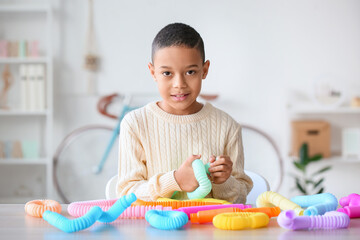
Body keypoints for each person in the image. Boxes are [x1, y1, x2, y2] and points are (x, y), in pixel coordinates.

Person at [116, 23, 253, 203]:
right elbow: (127, 194)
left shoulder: (227, 126)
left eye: (190, 71)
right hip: (153, 228)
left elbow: (240, 198)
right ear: (152, 72)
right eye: (167, 73)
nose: (179, 84)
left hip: (210, 229)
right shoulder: (135, 123)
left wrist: (224, 181)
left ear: (204, 70)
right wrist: (174, 181)